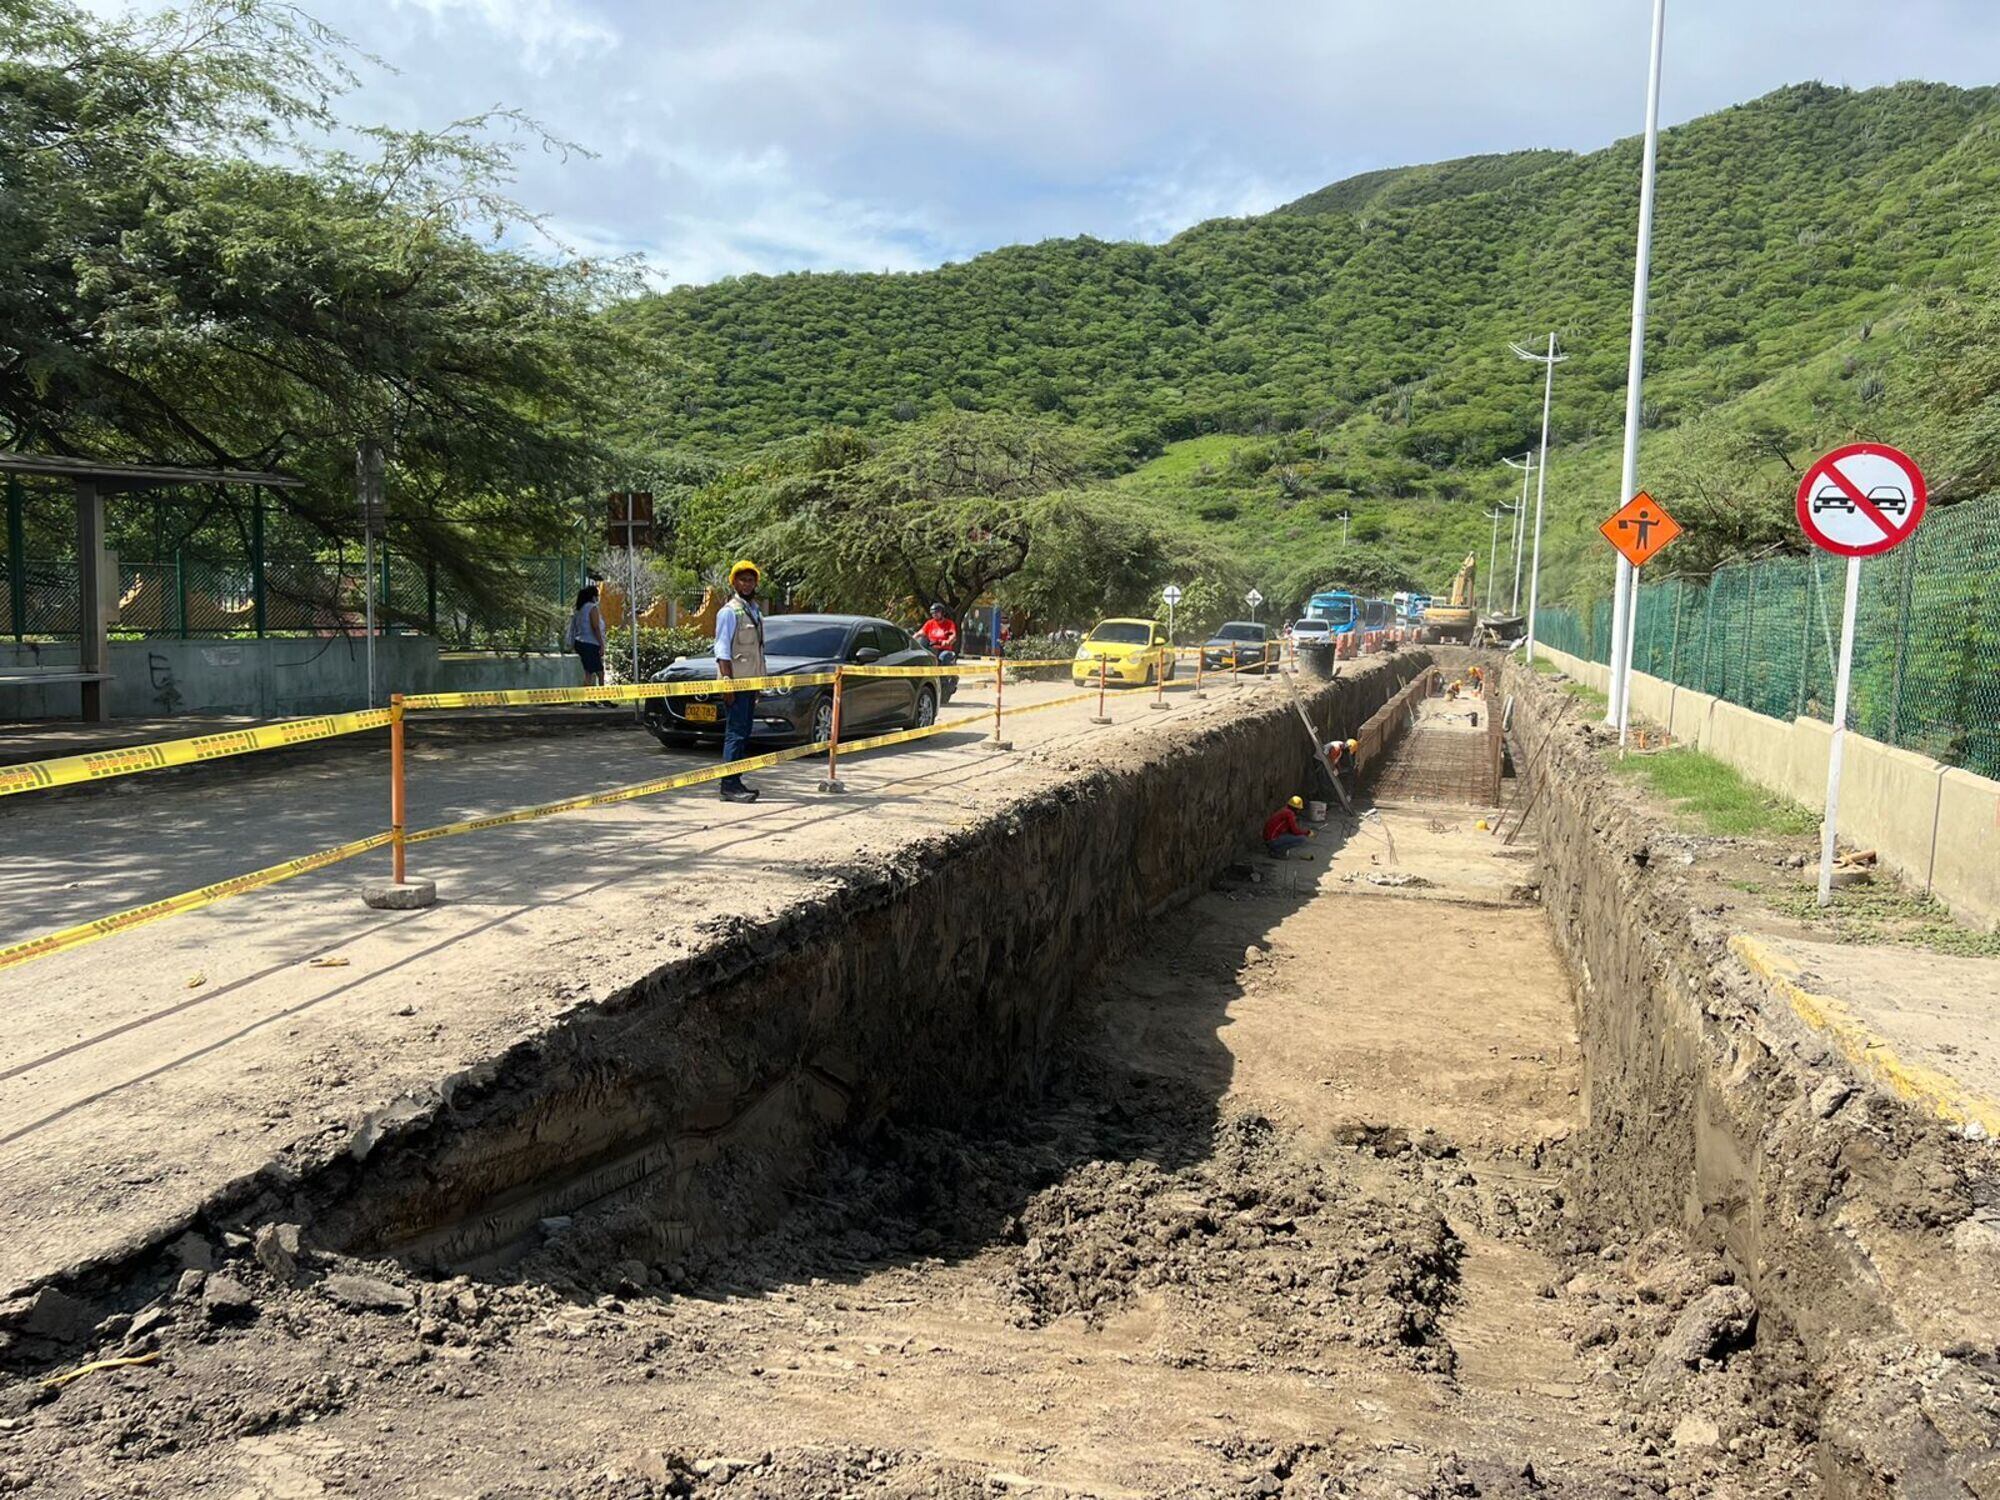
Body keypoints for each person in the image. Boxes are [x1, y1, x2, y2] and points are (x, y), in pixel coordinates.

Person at [714, 559, 766, 804]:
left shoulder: (754, 610)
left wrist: (758, 684)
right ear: (733, 582)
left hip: (750, 682)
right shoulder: (729, 611)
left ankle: (736, 780)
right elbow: (722, 649)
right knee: (734, 733)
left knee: (744, 732)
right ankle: (728, 785)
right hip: (735, 683)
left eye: (750, 579)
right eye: (742, 579)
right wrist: (727, 682)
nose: (747, 584)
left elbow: (758, 650)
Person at [566, 584, 607, 687]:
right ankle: (603, 697)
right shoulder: (592, 608)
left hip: (580, 642)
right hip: (590, 643)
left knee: (588, 672)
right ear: (593, 596)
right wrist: (602, 644)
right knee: (600, 673)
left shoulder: (579, 610)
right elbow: (595, 627)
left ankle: (589, 698)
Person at [1263, 795, 1315, 859]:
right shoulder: (1289, 814)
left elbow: (1289, 830)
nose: (1299, 811)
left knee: (1292, 835)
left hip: (1269, 839)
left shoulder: (1285, 810)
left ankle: (1276, 849)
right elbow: (1295, 831)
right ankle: (1277, 851)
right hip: (1272, 840)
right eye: (1298, 809)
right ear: (1296, 808)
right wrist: (1307, 833)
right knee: (1301, 839)